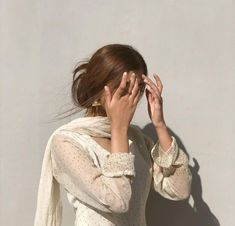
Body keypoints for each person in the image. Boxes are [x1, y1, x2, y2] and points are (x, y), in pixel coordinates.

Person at [33, 44, 192, 226]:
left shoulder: (137, 140)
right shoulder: (67, 141)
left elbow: (180, 190)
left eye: (138, 88)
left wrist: (160, 125)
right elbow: (117, 201)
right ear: (100, 88)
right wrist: (119, 129)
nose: (132, 97)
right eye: (125, 87)